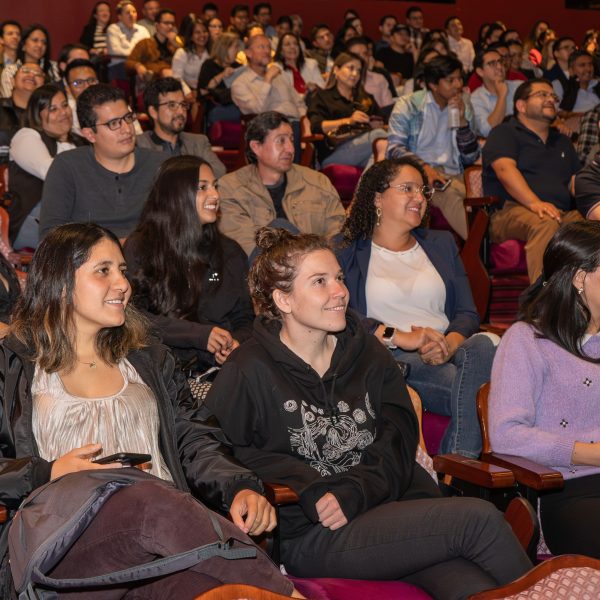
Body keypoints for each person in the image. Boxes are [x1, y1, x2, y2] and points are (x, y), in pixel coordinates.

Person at [204, 225, 532, 600]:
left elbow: (399, 436)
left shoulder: (366, 351)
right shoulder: (250, 367)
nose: (340, 292)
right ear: (284, 300)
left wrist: (356, 488)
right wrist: (267, 485)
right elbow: (212, 445)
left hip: (390, 503)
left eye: (339, 278)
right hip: (318, 531)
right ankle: (552, 593)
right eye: (320, 282)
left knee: (473, 588)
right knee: (479, 519)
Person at [0, 221, 302, 599]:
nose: (123, 284)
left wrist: (238, 485)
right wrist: (48, 471)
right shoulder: (13, 364)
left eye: (123, 271)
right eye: (103, 271)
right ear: (60, 283)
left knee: (230, 593)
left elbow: (194, 438)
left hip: (157, 551)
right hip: (64, 552)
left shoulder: (148, 359)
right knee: (140, 497)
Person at [337, 157, 496, 458]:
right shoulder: (347, 251)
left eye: (422, 191)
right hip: (392, 353)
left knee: (486, 344)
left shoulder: (441, 243)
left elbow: (467, 313)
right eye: (407, 189)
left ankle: (457, 464)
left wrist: (449, 344)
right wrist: (398, 336)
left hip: (450, 348)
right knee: (482, 394)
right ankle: (462, 467)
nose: (419, 198)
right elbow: (339, 312)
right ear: (377, 199)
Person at [489, 220, 600, 558]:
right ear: (580, 278)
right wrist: (592, 452)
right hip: (572, 489)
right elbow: (507, 434)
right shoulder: (527, 340)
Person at [124, 155, 252, 373]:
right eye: (202, 187)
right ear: (175, 195)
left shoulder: (230, 253)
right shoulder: (142, 248)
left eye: (215, 186)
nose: (215, 195)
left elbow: (246, 318)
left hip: (221, 372)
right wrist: (199, 335)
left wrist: (235, 343)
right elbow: (132, 316)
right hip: (163, 369)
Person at [482, 78, 582, 283]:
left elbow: (575, 183)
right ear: (521, 105)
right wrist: (535, 203)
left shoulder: (562, 141)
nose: (551, 100)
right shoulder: (505, 132)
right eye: (542, 95)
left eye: (553, 96)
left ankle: (587, 300)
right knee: (545, 221)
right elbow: (504, 170)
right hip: (511, 211)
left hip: (559, 212)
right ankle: (541, 305)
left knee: (591, 223)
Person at [39, 84, 165, 241]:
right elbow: (50, 236)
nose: (127, 129)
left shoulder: (160, 165)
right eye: (113, 124)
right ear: (90, 134)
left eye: (128, 118)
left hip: (151, 261)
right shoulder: (67, 167)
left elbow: (178, 227)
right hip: (89, 261)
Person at [218, 111, 345, 256]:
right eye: (281, 141)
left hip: (318, 271)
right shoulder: (230, 188)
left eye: (291, 139)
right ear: (256, 147)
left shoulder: (318, 182)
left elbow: (338, 235)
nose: (290, 148)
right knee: (279, 226)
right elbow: (245, 249)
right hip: (262, 274)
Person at [387, 55, 479, 240]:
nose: (457, 85)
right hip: (419, 176)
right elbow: (394, 149)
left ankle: (492, 242)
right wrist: (423, 168)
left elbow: (471, 157)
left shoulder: (464, 104)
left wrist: (462, 123)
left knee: (481, 198)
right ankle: (481, 251)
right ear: (433, 85)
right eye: (450, 80)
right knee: (449, 195)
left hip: (456, 175)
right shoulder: (409, 104)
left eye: (460, 78)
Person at [8, 84, 85, 249]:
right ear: (37, 115)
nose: (63, 112)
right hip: (35, 220)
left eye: (64, 105)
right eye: (53, 109)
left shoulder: (82, 142)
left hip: (76, 219)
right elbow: (53, 172)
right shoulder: (27, 136)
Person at [307, 52, 387, 169]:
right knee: (379, 138)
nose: (355, 74)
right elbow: (316, 126)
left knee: (381, 151)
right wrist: (349, 120)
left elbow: (384, 122)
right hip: (334, 152)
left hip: (364, 148)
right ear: (336, 70)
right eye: (351, 68)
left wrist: (377, 125)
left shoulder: (364, 98)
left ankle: (365, 185)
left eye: (359, 71)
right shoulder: (322, 96)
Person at [137, 77, 225, 177]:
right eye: (172, 105)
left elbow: (220, 173)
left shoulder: (198, 142)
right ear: (153, 111)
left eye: (183, 104)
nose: (181, 111)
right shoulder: (139, 146)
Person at [471, 48, 522, 137]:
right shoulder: (476, 98)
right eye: (492, 64)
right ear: (480, 71)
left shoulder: (519, 86)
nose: (499, 67)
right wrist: (502, 96)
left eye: (500, 62)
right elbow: (488, 131)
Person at [0, 24, 59, 97]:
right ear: (23, 45)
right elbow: (8, 100)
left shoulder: (54, 68)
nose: (40, 45)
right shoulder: (10, 71)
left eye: (44, 42)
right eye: (35, 40)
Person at [125, 8, 182, 83]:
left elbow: (187, 62)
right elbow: (129, 62)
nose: (170, 26)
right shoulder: (145, 43)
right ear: (157, 25)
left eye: (172, 23)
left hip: (175, 78)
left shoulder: (177, 43)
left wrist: (175, 44)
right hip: (153, 80)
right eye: (166, 23)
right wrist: (138, 65)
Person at [198, 32, 242, 127]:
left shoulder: (238, 66)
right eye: (235, 47)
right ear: (225, 48)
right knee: (244, 113)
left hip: (238, 104)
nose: (238, 51)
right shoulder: (209, 65)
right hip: (217, 106)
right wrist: (222, 75)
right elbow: (203, 91)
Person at [0, 62, 45, 153]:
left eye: (38, 74)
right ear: (12, 81)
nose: (32, 75)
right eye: (26, 71)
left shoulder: (47, 115)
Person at [106, 0, 150, 80]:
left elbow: (149, 50)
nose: (131, 15)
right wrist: (136, 56)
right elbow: (115, 51)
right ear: (119, 16)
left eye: (134, 12)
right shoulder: (113, 29)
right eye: (127, 12)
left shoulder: (143, 30)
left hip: (142, 63)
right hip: (120, 64)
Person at [273, 33, 323, 98]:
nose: (292, 47)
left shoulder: (311, 64)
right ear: (281, 51)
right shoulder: (276, 69)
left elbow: (323, 88)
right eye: (288, 44)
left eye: (295, 44)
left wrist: (315, 87)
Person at [172, 16, 209, 95]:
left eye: (204, 31)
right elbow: (177, 77)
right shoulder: (182, 53)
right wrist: (188, 93)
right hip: (187, 93)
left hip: (209, 93)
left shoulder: (213, 53)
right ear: (191, 36)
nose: (202, 35)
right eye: (197, 32)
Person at [64, 59, 99, 134]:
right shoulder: (66, 117)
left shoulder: (115, 105)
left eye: (91, 80)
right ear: (68, 89)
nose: (87, 86)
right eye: (78, 83)